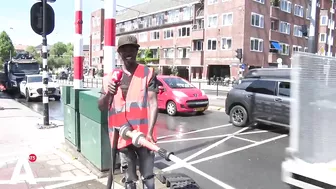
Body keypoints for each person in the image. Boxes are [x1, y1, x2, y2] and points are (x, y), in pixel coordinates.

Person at [98, 35, 159, 189]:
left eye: (132, 48)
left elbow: (153, 104)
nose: (128, 52)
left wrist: (150, 133)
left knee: (148, 176)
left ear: (137, 51)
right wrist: (108, 94)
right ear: (119, 53)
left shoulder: (147, 73)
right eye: (124, 49)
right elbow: (101, 106)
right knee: (129, 178)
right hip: (121, 137)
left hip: (144, 136)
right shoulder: (109, 78)